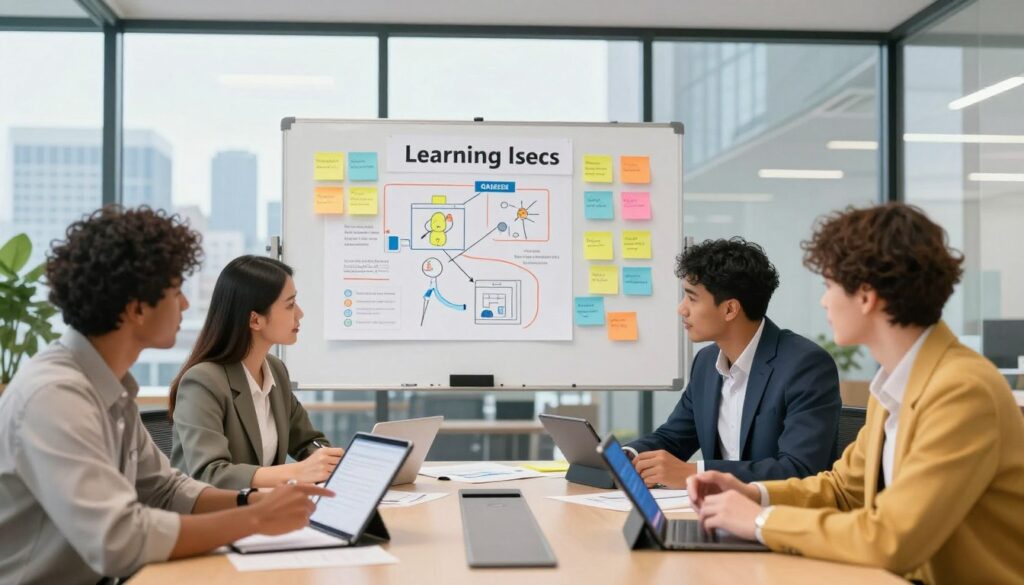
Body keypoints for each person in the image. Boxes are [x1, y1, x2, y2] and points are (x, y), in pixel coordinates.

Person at [688, 204, 1024, 585]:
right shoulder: (895, 383)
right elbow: (842, 489)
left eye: (830, 286)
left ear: (866, 297)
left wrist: (762, 521)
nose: (824, 301)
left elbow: (894, 539)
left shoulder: (961, 390)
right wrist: (753, 493)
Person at [0, 206, 331, 585]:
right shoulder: (55, 397)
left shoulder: (109, 388)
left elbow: (165, 488)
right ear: (137, 309)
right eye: (176, 292)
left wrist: (250, 500)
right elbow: (118, 538)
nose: (186, 305)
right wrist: (253, 519)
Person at [625, 237, 841, 487]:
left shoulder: (805, 366)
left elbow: (799, 469)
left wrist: (696, 473)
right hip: (716, 515)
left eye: (692, 298)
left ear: (730, 310)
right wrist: (626, 456)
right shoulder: (706, 363)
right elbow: (673, 438)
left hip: (775, 518)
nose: (681, 309)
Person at [170, 255, 344, 489]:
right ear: (255, 320)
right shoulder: (203, 382)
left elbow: (307, 441)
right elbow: (210, 474)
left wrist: (329, 460)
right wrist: (297, 471)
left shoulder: (275, 370)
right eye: (290, 304)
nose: (299, 313)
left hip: (261, 511)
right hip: (212, 518)